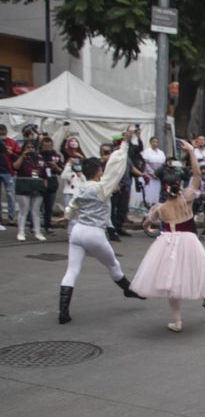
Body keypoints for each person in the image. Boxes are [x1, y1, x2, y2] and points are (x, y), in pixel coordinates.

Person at [57, 132, 146, 325]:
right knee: (113, 265)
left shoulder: (80, 187)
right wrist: (124, 143)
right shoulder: (101, 187)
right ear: (98, 172)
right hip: (95, 233)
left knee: (71, 271)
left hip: (77, 232)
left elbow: (71, 208)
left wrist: (66, 218)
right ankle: (128, 290)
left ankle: (63, 312)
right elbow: (116, 166)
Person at [132, 139, 205, 332]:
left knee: (172, 281)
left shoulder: (161, 208)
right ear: (178, 185)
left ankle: (177, 321)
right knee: (197, 270)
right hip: (189, 240)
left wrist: (151, 228)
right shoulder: (186, 198)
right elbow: (197, 174)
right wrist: (191, 151)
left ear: (164, 187)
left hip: (169, 243)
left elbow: (146, 224)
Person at [12, 132, 46, 241]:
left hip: (37, 185)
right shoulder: (20, 157)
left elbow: (44, 173)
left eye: (32, 147)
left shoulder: (39, 158)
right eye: (28, 147)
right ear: (24, 148)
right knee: (24, 210)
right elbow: (15, 167)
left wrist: (44, 186)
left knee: (36, 211)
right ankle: (21, 232)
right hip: (24, 185)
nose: (30, 149)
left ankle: (38, 232)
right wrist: (23, 155)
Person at [0, 123, 21, 228]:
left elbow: (18, 156)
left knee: (11, 195)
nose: (2, 132)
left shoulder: (12, 142)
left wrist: (11, 152)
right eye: (1, 130)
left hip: (9, 172)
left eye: (4, 130)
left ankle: (11, 217)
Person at [140, 136, 167, 207]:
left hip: (158, 175)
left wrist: (159, 174)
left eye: (156, 142)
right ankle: (147, 206)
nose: (155, 143)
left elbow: (163, 164)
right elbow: (145, 163)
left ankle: (156, 206)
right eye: (153, 142)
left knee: (157, 192)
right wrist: (152, 173)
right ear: (150, 142)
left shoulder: (161, 152)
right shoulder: (146, 152)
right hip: (149, 175)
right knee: (149, 191)